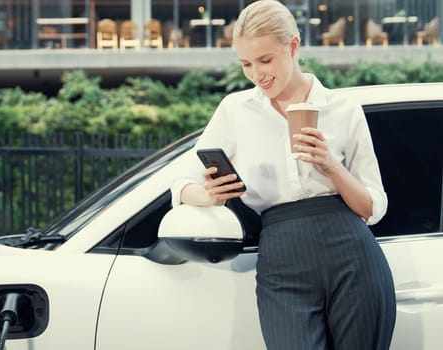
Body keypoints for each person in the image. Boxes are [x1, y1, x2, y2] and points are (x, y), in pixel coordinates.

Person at [170, 0, 396, 349]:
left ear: (293, 46)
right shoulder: (235, 111)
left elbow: (371, 207)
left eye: (265, 60)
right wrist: (210, 196)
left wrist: (330, 166)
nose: (257, 74)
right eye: (246, 64)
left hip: (354, 255)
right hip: (281, 258)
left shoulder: (342, 109)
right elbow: (180, 183)